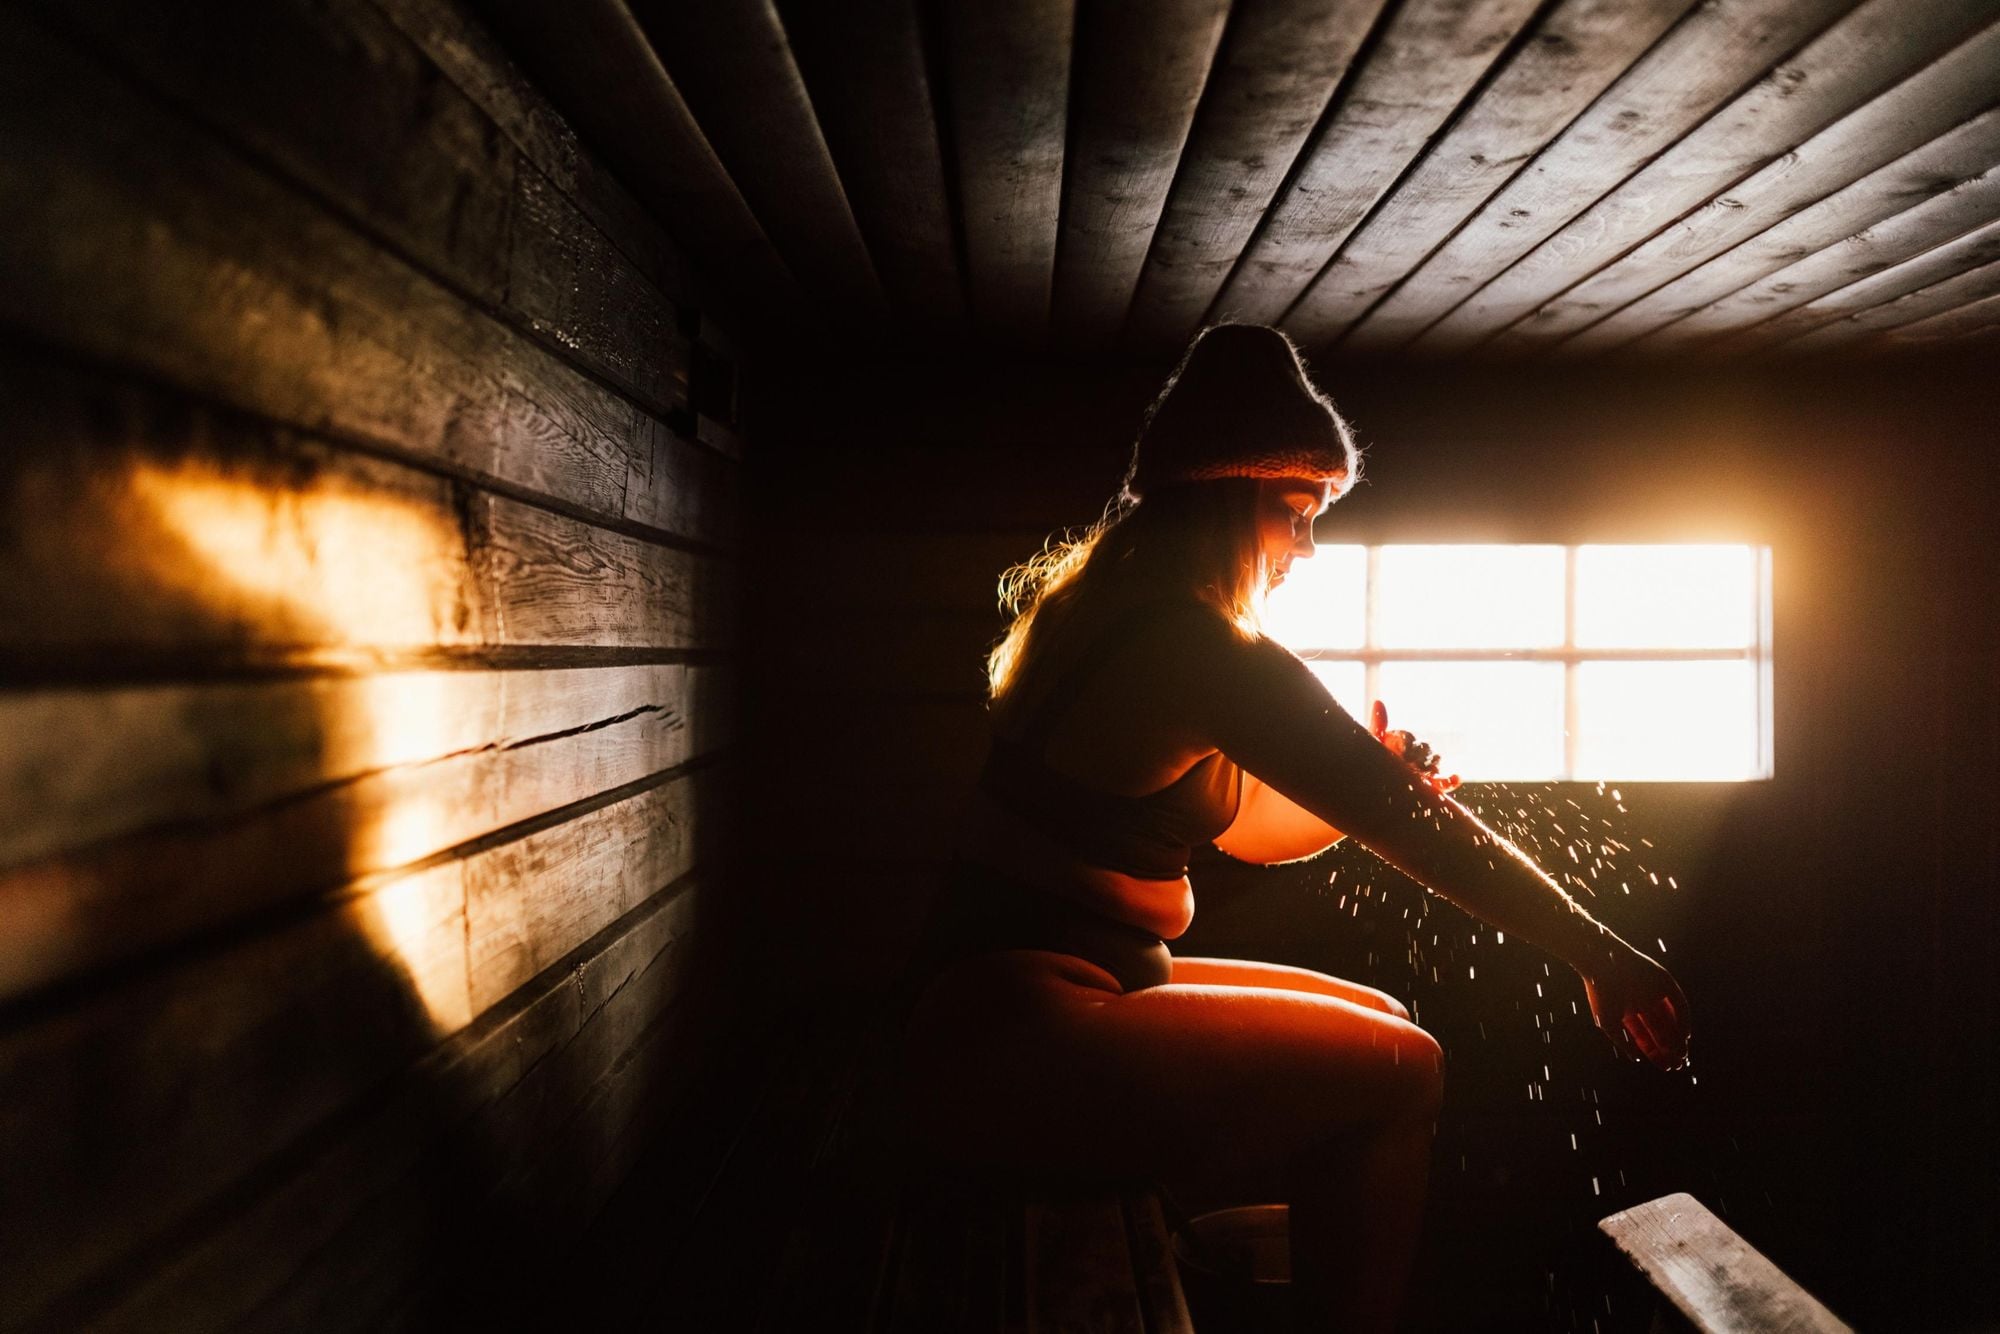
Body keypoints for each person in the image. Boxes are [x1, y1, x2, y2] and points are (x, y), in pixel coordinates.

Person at [892, 323, 1689, 1333]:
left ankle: (1267, 1273)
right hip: (1009, 1040)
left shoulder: (1119, 612)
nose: (1306, 546)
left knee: (1384, 1019)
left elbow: (1253, 832)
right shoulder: (1194, 645)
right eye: (1298, 512)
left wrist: (1365, 782)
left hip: (1011, 1007)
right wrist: (1601, 953)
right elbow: (1413, 828)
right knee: (1404, 1073)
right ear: (1229, 495)